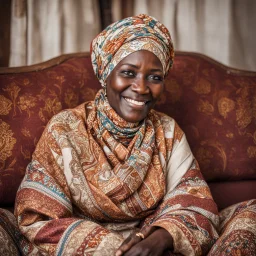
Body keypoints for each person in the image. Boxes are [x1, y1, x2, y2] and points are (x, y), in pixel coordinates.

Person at [15, 14, 219, 255]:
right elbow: (37, 216)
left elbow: (195, 203)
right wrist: (114, 249)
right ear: (106, 73)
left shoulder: (167, 132)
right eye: (129, 73)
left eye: (154, 77)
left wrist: (158, 240)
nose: (142, 88)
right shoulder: (66, 128)